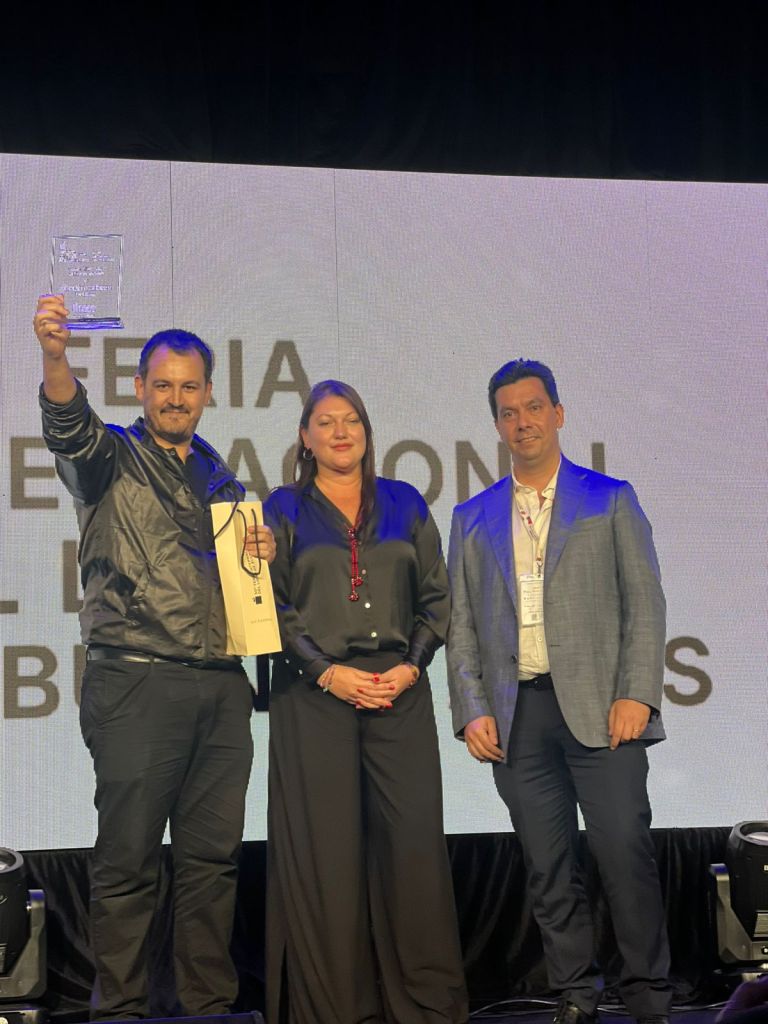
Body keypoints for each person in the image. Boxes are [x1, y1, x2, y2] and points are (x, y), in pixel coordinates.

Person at [35, 294, 275, 1021]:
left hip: (221, 689)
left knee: (212, 865)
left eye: (189, 386)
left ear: (208, 392)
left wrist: (261, 555)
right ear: (139, 388)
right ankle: (121, 1012)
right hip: (136, 681)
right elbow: (69, 427)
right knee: (128, 863)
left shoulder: (221, 476)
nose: (176, 398)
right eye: (163, 385)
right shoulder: (110, 456)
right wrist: (55, 357)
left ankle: (208, 1008)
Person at [446, 359, 672, 1024]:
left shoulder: (610, 499)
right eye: (509, 412)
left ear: (558, 414)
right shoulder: (472, 517)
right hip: (518, 715)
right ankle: (576, 993)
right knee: (547, 866)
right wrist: (471, 711)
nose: (523, 422)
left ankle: (649, 998)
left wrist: (638, 693)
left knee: (624, 855)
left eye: (534, 407)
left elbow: (645, 603)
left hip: (605, 710)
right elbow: (461, 626)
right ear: (497, 425)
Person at [263, 379, 468, 1024]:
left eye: (350, 419)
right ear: (305, 437)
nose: (340, 431)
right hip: (313, 694)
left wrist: (412, 667)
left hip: (399, 691)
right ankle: (337, 1010)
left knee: (413, 849)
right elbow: (273, 605)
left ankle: (428, 1007)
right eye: (325, 422)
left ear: (367, 431)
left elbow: (437, 597)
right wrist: (325, 672)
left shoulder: (406, 502)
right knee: (327, 857)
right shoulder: (282, 509)